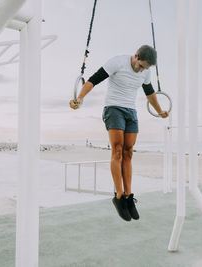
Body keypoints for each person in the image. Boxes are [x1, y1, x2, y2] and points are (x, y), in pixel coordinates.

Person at [69, 45, 168, 221]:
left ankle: (129, 197)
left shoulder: (145, 72)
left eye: (145, 68)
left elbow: (150, 94)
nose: (142, 70)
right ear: (136, 56)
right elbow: (92, 80)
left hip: (131, 112)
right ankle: (119, 196)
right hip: (113, 108)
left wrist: (160, 111)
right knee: (117, 149)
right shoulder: (118, 62)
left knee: (128, 152)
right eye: (141, 65)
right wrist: (79, 99)